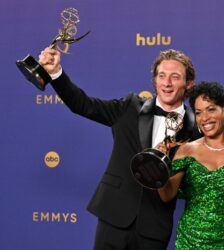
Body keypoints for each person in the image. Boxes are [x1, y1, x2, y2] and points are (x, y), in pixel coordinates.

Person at [38, 48, 199, 250]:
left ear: (188, 84)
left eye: (175, 77)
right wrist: (55, 73)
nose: (167, 83)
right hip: (114, 216)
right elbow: (83, 105)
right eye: (162, 76)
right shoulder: (130, 107)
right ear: (155, 80)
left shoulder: (195, 130)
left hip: (154, 227)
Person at [157, 81, 224, 249]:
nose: (204, 118)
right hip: (190, 241)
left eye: (211, 109)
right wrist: (157, 171)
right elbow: (167, 195)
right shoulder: (186, 150)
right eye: (198, 112)